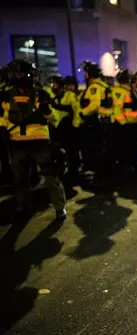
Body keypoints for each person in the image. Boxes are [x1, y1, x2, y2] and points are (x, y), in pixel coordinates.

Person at [1, 60, 66, 220]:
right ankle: (24, 207)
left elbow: (55, 119)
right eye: (16, 73)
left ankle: (59, 207)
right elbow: (2, 118)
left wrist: (47, 112)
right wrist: (3, 129)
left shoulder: (40, 93)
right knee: (20, 179)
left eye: (21, 73)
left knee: (51, 177)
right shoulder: (6, 96)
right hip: (17, 143)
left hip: (40, 143)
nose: (19, 76)